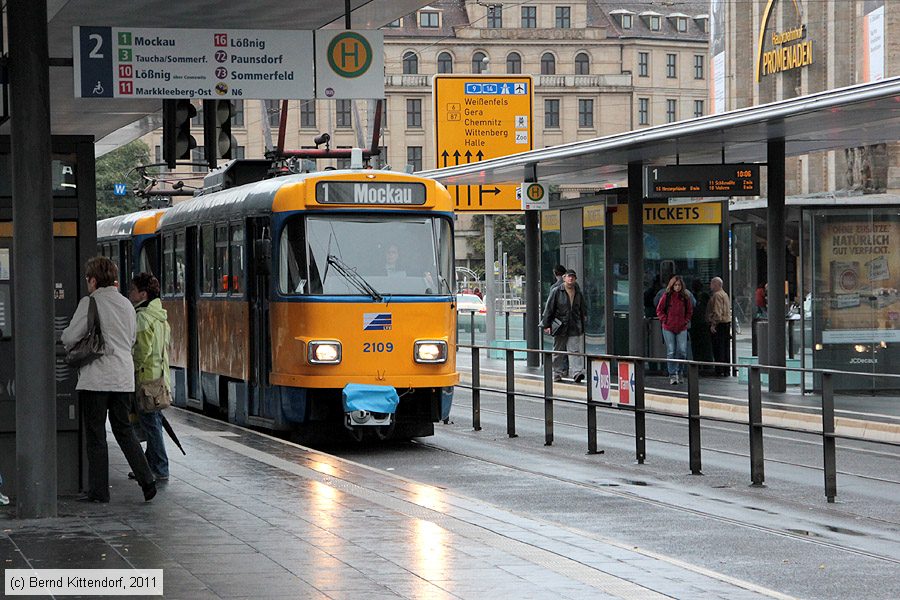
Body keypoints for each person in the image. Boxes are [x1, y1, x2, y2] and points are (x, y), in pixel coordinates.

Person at [61, 256, 157, 503]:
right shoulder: (126, 304)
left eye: (87, 279)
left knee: (96, 436)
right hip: (123, 377)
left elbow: (71, 336)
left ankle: (99, 492)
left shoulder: (90, 302)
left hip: (96, 379)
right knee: (124, 431)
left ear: (93, 280)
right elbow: (132, 339)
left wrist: (65, 337)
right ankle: (147, 481)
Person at [129, 273, 171, 482]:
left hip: (146, 379)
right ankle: (148, 464)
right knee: (152, 422)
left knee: (151, 424)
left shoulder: (143, 317)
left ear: (142, 294)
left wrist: (131, 369)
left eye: (133, 290)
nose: (130, 293)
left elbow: (141, 349)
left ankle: (160, 468)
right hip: (159, 376)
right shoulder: (160, 315)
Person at [541, 269, 587, 383]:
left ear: (575, 279)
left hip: (574, 326)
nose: (570, 278)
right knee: (558, 351)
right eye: (568, 276)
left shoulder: (578, 292)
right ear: (564, 278)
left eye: (573, 277)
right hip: (560, 325)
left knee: (574, 350)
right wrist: (546, 324)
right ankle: (557, 373)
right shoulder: (557, 291)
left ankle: (577, 372)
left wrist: (582, 322)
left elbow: (582, 309)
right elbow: (549, 308)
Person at [656, 275, 693, 385]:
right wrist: (665, 320)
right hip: (668, 327)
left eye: (679, 285)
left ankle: (680, 371)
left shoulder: (685, 297)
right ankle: (672, 374)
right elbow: (659, 310)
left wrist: (685, 320)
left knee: (682, 351)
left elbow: (689, 311)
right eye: (675, 285)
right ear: (672, 286)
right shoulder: (666, 296)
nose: (677, 287)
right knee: (671, 351)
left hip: (681, 326)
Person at [706, 277, 732, 377]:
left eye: (712, 284)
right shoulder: (725, 294)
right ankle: (726, 369)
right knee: (725, 347)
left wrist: (713, 324)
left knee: (718, 348)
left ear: (716, 284)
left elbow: (717, 312)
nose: (710, 286)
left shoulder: (716, 295)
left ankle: (719, 369)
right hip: (726, 323)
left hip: (719, 324)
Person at [689, 279, 713, 372]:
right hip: (702, 324)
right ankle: (707, 366)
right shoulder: (704, 296)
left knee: (697, 347)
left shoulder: (692, 296)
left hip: (696, 324)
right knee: (705, 347)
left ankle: (699, 365)